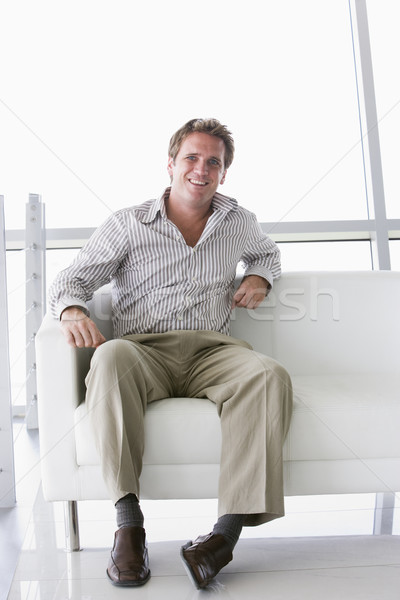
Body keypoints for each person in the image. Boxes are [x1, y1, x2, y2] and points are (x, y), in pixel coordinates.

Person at [49, 118, 293, 590]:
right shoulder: (128, 223)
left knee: (269, 374)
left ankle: (223, 537)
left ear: (224, 173)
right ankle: (128, 526)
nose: (201, 169)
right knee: (109, 358)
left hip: (212, 352)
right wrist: (73, 311)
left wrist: (259, 276)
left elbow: (268, 254)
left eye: (213, 162)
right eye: (192, 158)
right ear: (171, 164)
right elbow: (72, 278)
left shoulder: (238, 221)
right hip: (144, 351)